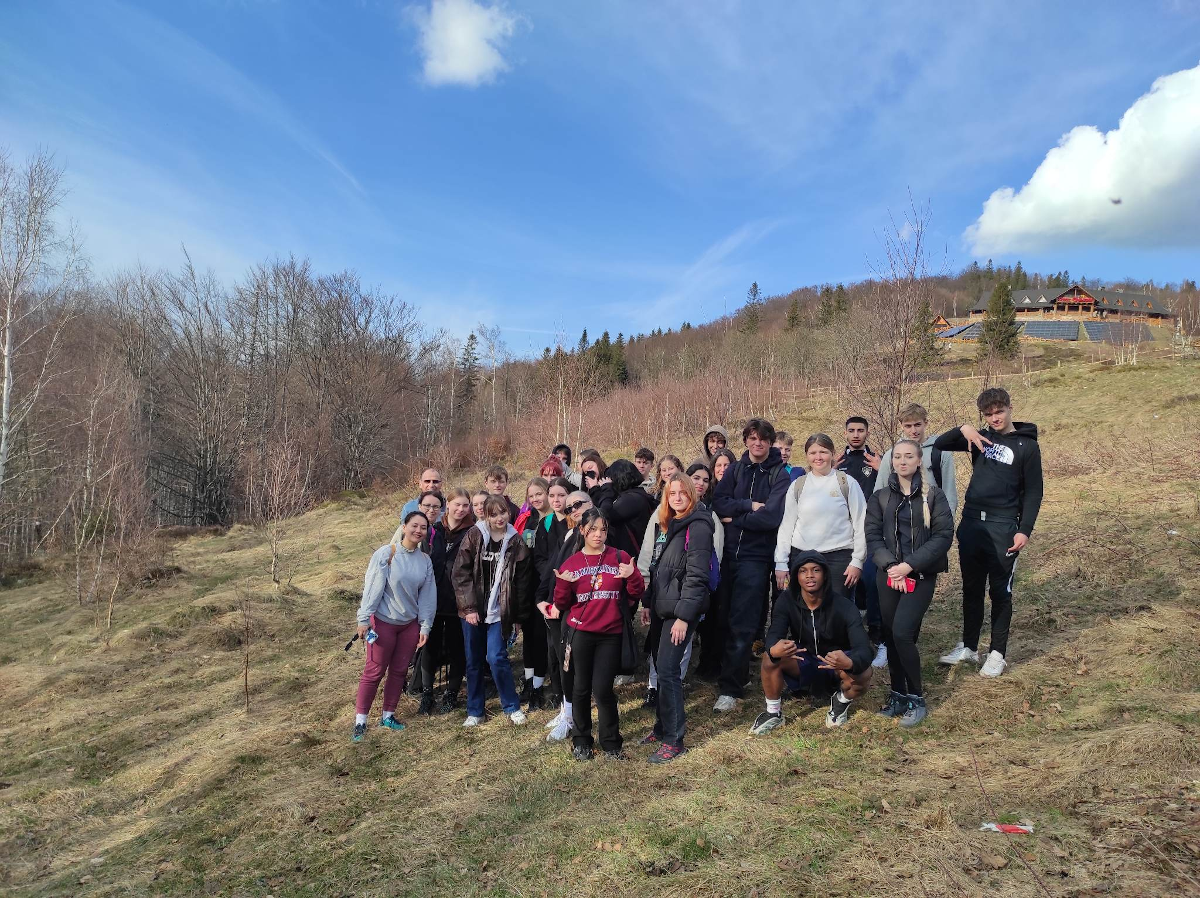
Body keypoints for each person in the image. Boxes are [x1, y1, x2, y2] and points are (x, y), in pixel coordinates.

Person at [934, 387, 1043, 678]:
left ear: (1010, 408)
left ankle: (997, 653)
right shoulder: (979, 438)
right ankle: (969, 647)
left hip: (1004, 526)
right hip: (972, 523)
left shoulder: (1027, 446)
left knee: (999, 591)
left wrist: (1024, 530)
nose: (995, 418)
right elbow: (940, 443)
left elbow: (1034, 491)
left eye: (999, 411)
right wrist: (965, 428)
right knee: (971, 588)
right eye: (988, 414)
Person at [865, 440, 954, 726]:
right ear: (892, 462)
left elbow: (943, 537)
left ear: (919, 461)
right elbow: (872, 536)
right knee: (891, 636)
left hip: (921, 576)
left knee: (903, 633)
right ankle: (898, 695)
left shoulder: (934, 496)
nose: (902, 462)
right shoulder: (880, 497)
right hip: (888, 576)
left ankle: (917, 698)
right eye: (897, 457)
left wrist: (908, 566)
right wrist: (892, 567)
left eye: (908, 457)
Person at [710, 418, 791, 713]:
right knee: (722, 617)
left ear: (770, 443)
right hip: (728, 554)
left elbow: (771, 516)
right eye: (753, 438)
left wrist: (738, 517)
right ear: (745, 441)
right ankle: (734, 673)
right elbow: (720, 503)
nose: (758, 444)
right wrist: (747, 506)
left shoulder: (780, 474)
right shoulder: (735, 469)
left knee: (743, 622)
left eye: (763, 439)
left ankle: (731, 690)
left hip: (757, 557)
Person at [552, 508, 645, 760]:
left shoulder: (619, 556)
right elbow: (561, 603)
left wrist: (632, 575)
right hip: (580, 633)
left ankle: (612, 745)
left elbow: (636, 593)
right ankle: (582, 741)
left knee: (603, 690)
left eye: (603, 529)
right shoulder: (571, 563)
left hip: (610, 634)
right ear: (582, 530)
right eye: (592, 529)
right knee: (580, 688)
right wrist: (563, 583)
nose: (598, 534)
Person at [749, 551, 874, 734]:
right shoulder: (786, 601)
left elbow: (865, 649)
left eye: (816, 570)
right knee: (771, 658)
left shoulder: (844, 606)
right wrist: (774, 648)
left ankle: (841, 701)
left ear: (825, 575)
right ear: (796, 576)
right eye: (803, 571)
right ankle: (773, 713)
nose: (809, 575)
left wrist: (849, 662)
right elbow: (774, 634)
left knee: (864, 672)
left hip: (835, 662)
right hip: (804, 660)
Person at [636, 474, 713, 762]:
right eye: (672, 493)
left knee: (668, 670)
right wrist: (647, 602)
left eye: (683, 492)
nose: (677, 497)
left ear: (693, 494)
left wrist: (683, 617)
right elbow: (658, 568)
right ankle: (662, 726)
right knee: (660, 665)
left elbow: (697, 575)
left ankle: (674, 740)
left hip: (679, 609)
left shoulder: (699, 526)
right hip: (661, 606)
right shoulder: (669, 525)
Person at [352, 512, 437, 742]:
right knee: (374, 671)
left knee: (399, 672)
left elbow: (428, 596)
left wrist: (425, 626)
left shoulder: (425, 561)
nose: (418, 530)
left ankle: (388, 715)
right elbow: (372, 587)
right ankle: (361, 721)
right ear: (404, 526)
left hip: (408, 626)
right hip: (383, 623)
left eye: (423, 527)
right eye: (414, 526)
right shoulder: (387, 553)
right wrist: (364, 618)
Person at [452, 495, 533, 726]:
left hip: (500, 612)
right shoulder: (474, 536)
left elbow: (522, 584)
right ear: (485, 515)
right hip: (472, 612)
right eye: (493, 514)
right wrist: (468, 608)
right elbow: (460, 574)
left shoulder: (516, 542)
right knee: (474, 661)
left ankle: (511, 706)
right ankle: (475, 711)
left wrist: (517, 617)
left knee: (497, 657)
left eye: (503, 513)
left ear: (509, 513)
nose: (500, 518)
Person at [775, 433, 867, 606]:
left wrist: (857, 561)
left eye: (823, 452)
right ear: (807, 456)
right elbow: (787, 525)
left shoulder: (846, 483)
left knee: (838, 609)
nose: (818, 457)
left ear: (832, 453)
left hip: (839, 558)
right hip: (802, 556)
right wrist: (781, 561)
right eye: (813, 453)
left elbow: (860, 523)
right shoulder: (798, 485)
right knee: (803, 608)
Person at [537, 488, 592, 742]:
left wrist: (559, 602)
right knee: (561, 660)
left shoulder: (596, 537)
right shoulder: (571, 534)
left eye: (578, 504)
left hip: (578, 610)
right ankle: (566, 711)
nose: (574, 510)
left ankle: (573, 718)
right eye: (569, 508)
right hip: (558, 608)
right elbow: (554, 568)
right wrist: (542, 599)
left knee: (572, 664)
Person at [416, 488, 473, 714]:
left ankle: (451, 693)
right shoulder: (433, 530)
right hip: (432, 599)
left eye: (465, 505)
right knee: (429, 646)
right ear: (447, 506)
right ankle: (427, 693)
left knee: (456, 647)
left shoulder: (472, 532)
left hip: (459, 600)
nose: (460, 509)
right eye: (456, 504)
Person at [835, 416, 883, 661]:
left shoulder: (876, 461)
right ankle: (848, 632)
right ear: (845, 433)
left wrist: (884, 469)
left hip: (871, 530)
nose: (856, 434)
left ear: (867, 432)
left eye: (860, 430)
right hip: (842, 532)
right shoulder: (837, 462)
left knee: (872, 580)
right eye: (851, 430)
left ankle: (876, 632)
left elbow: (890, 488)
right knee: (846, 583)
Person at [874, 403, 958, 517]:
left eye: (917, 425)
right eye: (908, 426)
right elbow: (879, 493)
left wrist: (948, 525)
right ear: (901, 426)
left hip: (933, 519)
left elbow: (950, 493)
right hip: (899, 522)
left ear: (926, 423)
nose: (913, 430)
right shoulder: (892, 455)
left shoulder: (941, 453)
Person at [514, 477, 551, 709]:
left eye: (540, 493)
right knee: (528, 635)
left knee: (540, 636)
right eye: (532, 495)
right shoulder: (527, 519)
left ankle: (539, 685)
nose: (536, 498)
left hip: (544, 583)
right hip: (525, 583)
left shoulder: (554, 520)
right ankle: (528, 682)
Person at [588, 458, 656, 557]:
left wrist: (607, 489)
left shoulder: (631, 499)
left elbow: (604, 515)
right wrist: (596, 490)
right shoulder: (636, 495)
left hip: (631, 557)